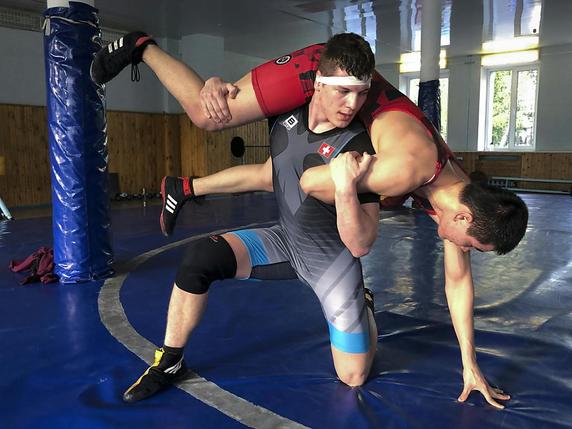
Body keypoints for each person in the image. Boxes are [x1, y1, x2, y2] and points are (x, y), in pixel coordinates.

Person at [92, 32, 528, 408]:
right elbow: (311, 181)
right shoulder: (408, 168)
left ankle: (361, 304)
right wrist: (342, 174)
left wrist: (470, 365)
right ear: (463, 216)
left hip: (327, 229)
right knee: (210, 114)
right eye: (469, 244)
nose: (461, 249)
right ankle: (141, 46)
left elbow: (458, 283)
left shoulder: (460, 192)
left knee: (353, 375)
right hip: (333, 68)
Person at [120, 33, 381, 403]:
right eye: (344, 91)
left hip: (332, 262)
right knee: (199, 259)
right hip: (285, 241)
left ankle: (364, 306)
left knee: (353, 376)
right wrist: (214, 85)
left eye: (361, 93)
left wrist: (344, 187)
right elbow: (225, 111)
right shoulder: (283, 112)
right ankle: (170, 362)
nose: (352, 104)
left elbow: (361, 243)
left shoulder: (359, 145)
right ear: (319, 84)